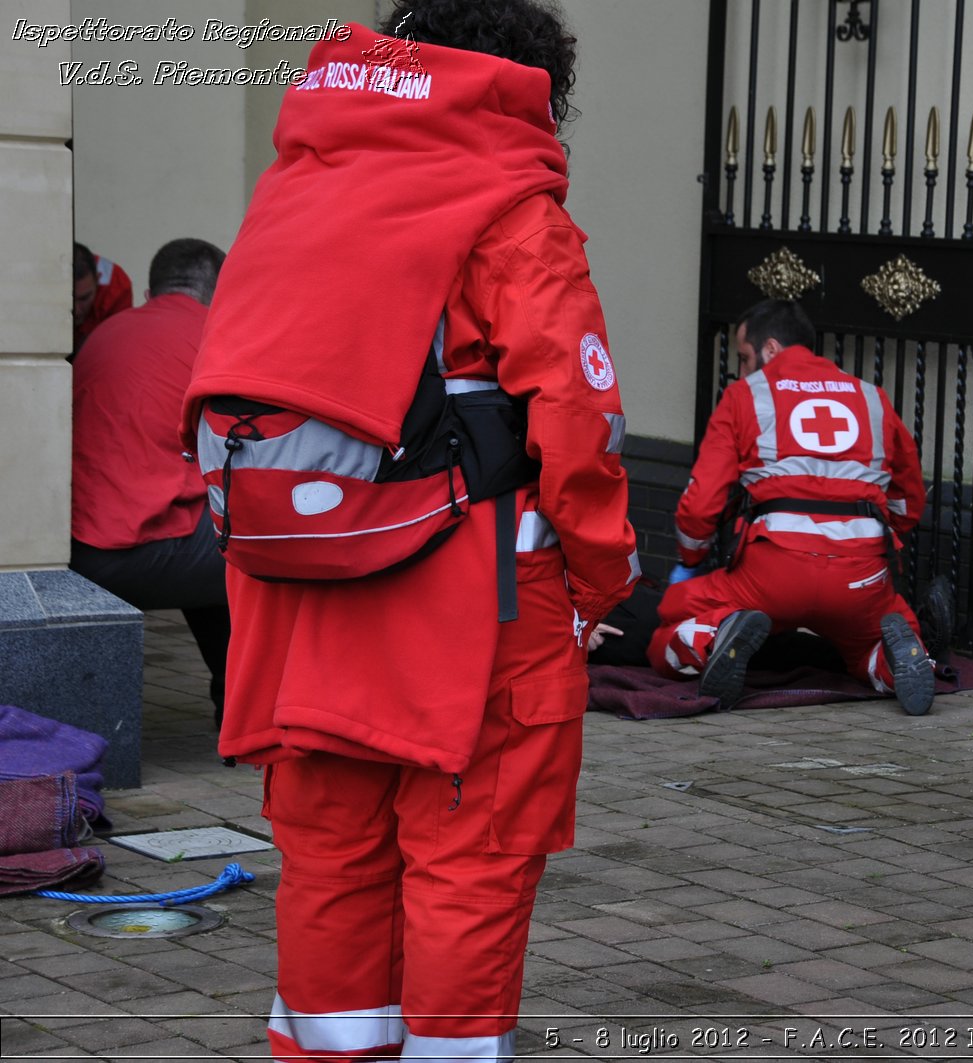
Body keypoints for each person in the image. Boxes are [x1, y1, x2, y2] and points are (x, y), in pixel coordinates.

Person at [180, 3, 639, 1060]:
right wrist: (602, 582)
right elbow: (576, 418)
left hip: (296, 596)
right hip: (473, 609)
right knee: (468, 859)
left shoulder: (292, 188)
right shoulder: (513, 208)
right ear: (528, 85)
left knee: (330, 854)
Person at [647, 299, 936, 716]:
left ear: (770, 350)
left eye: (745, 358)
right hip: (861, 573)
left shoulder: (744, 395)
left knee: (670, 615)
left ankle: (713, 636)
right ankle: (896, 663)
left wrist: (690, 559)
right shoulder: (871, 397)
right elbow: (909, 497)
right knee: (880, 637)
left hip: (772, 571)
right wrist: (886, 534)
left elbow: (702, 502)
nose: (743, 370)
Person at [70, 238, 231, 727]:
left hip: (74, 551)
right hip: (129, 549)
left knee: (207, 531)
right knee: (262, 546)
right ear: (221, 291)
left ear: (149, 289)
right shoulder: (215, 336)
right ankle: (251, 714)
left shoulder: (109, 330)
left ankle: (236, 710)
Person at [71, 242, 132, 356]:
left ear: (98, 279)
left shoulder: (117, 286)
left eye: (84, 298)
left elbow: (116, 346)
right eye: (69, 299)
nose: (77, 310)